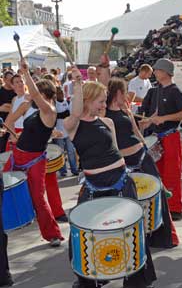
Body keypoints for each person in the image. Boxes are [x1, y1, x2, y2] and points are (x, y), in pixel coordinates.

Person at [64, 68, 156, 288]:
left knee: (131, 231)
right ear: (86, 100)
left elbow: (115, 149)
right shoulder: (72, 125)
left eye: (105, 101)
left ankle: (136, 279)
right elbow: (76, 113)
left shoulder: (107, 122)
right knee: (82, 234)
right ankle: (92, 277)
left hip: (120, 181)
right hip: (94, 186)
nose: (104, 106)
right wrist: (77, 84)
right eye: (100, 102)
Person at [106, 77, 179, 248]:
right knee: (129, 200)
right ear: (117, 93)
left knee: (156, 193)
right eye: (124, 92)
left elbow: (135, 131)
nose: (127, 96)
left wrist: (146, 146)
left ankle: (166, 237)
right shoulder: (104, 114)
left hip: (140, 156)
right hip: (122, 162)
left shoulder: (125, 110)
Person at [2, 60, 64, 246]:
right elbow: (21, 127)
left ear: (44, 94)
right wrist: (13, 137)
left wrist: (25, 72)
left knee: (38, 197)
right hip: (18, 154)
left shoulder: (50, 111)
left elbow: (34, 94)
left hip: (35, 160)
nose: (31, 94)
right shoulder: (34, 111)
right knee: (2, 188)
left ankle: (52, 234)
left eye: (36, 93)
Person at [139, 58, 182, 220]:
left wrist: (165, 118)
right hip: (157, 138)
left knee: (172, 174)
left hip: (170, 137)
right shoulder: (158, 90)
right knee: (158, 174)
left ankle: (175, 208)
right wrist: (148, 120)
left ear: (165, 72)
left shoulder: (175, 91)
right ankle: (162, 207)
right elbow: (157, 113)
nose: (154, 72)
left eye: (157, 70)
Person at [54, 87, 79, 177]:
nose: (61, 94)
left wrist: (61, 115)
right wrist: (61, 115)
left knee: (71, 151)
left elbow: (69, 114)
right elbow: (56, 116)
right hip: (58, 133)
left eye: (61, 92)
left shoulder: (67, 102)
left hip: (68, 132)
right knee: (60, 153)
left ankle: (74, 169)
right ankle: (63, 170)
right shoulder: (54, 104)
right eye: (58, 92)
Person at [0, 71, 16, 152]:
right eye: (9, 80)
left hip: (15, 124)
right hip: (2, 124)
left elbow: (18, 107)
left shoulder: (16, 91)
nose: (11, 81)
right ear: (5, 80)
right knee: (2, 147)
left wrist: (7, 106)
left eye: (12, 79)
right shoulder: (1, 91)